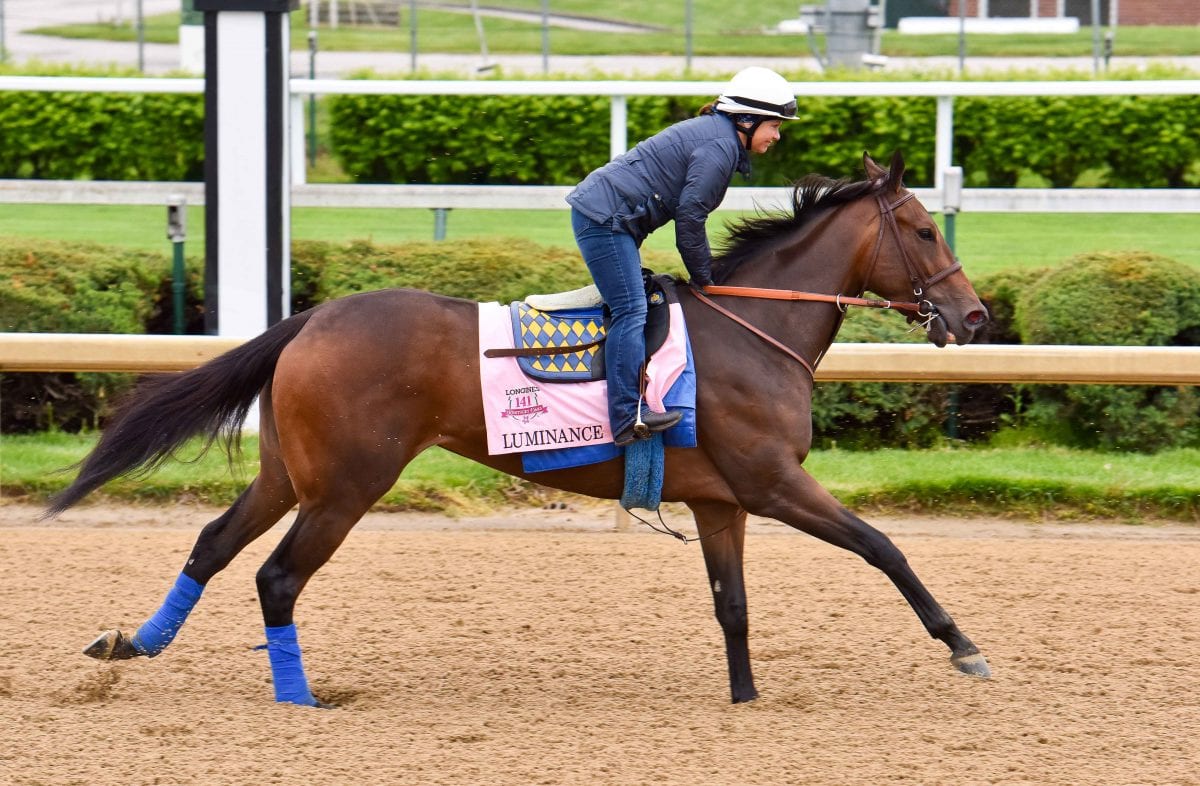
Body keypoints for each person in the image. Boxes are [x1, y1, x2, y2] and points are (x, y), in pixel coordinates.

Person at [565, 66, 799, 447]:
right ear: (747, 120)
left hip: (610, 218)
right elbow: (690, 217)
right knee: (631, 309)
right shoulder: (720, 147)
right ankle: (627, 418)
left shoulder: (719, 138)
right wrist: (705, 279)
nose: (777, 135)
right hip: (604, 220)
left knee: (636, 303)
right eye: (775, 125)